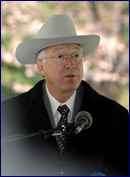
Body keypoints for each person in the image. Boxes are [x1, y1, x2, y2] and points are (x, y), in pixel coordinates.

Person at [1, 14, 129, 176]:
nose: (71, 64)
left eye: (76, 55)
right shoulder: (9, 113)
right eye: (60, 56)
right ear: (41, 67)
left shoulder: (116, 116)